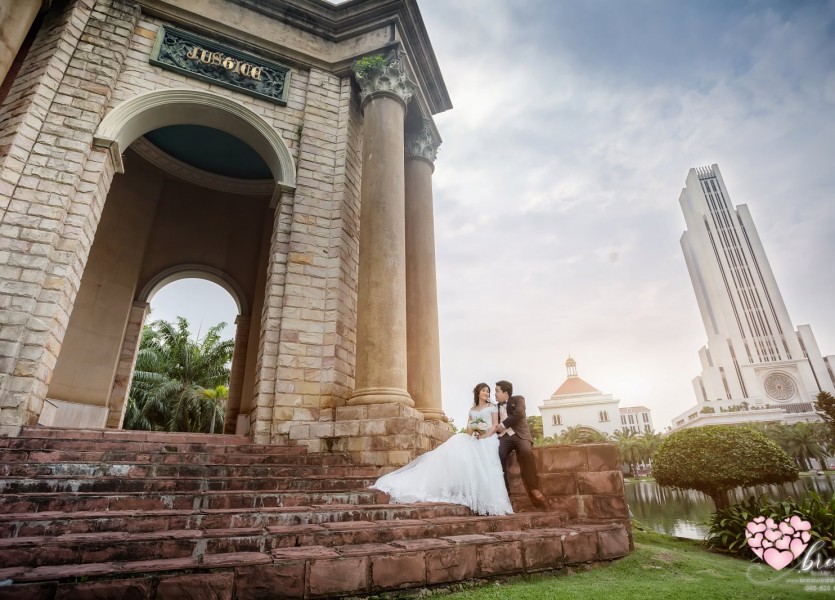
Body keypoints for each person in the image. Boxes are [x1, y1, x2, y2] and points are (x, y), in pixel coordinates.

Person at [370, 383, 513, 516]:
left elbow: (495, 425)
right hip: (475, 437)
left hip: (488, 438)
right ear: (477, 393)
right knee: (456, 444)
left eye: (488, 391)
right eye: (484, 391)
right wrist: (475, 431)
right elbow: (469, 428)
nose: (486, 393)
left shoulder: (492, 407)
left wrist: (485, 436)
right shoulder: (472, 410)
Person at [494, 379, 547, 509]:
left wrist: (503, 425)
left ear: (505, 392)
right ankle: (505, 494)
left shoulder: (519, 399)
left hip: (520, 435)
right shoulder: (495, 407)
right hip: (504, 437)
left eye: (497, 391)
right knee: (498, 455)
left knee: (526, 452)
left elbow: (519, 414)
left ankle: (534, 488)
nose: (494, 394)